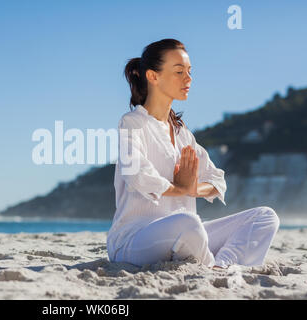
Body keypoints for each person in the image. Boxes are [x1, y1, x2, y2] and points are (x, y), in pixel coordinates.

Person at [107, 38, 280, 269]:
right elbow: (137, 175)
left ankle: (221, 266)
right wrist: (178, 189)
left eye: (189, 71)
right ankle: (211, 267)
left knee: (265, 217)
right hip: (133, 240)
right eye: (179, 72)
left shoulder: (183, 134)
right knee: (188, 223)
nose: (188, 79)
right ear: (153, 76)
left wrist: (191, 189)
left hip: (185, 233)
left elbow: (217, 179)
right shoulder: (131, 123)